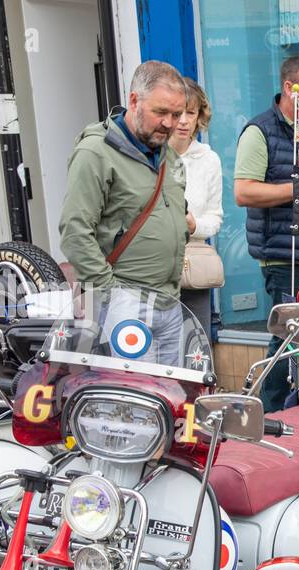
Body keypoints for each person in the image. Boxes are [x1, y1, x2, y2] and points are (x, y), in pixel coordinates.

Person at [60, 60, 190, 367]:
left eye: (176, 114)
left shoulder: (166, 154)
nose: (170, 123)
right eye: (161, 112)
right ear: (134, 101)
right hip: (125, 301)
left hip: (169, 299)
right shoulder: (95, 153)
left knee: (171, 399)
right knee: (133, 401)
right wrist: (109, 293)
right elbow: (75, 230)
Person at [234, 55, 299, 411]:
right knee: (288, 339)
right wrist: (297, 189)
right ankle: (266, 412)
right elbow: (244, 191)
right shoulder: (260, 131)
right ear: (290, 88)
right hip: (284, 255)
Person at [171, 77, 224, 338]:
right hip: (154, 267)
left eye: (190, 113)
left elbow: (215, 217)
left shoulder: (209, 159)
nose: (183, 121)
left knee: (196, 344)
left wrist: (195, 225)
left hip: (192, 264)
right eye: (177, 113)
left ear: (199, 116)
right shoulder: (151, 156)